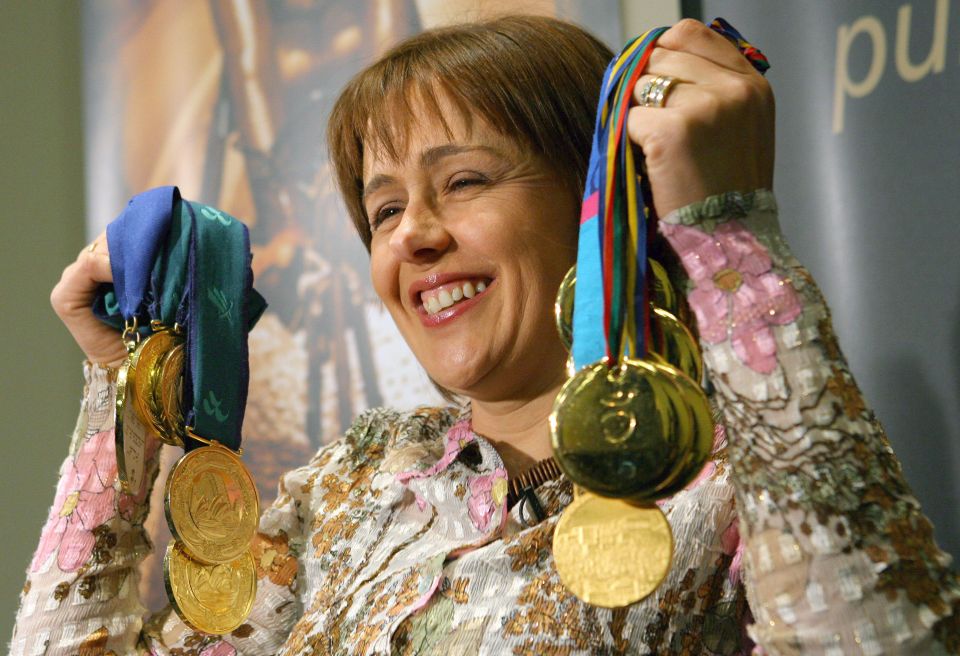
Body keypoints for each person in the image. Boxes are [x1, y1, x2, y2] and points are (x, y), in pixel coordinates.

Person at [11, 14, 959, 656]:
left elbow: (875, 636)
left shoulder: (730, 477)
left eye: (463, 181)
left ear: (597, 207)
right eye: (384, 210)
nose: (415, 235)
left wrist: (725, 231)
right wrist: (126, 393)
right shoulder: (356, 486)